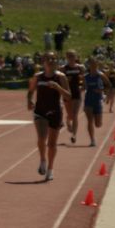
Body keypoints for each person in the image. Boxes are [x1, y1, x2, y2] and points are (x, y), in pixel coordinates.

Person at [27, 52, 71, 181]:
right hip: (40, 111)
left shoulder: (61, 77)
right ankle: (42, 160)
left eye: (53, 59)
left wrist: (58, 88)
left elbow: (68, 96)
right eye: (48, 59)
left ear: (57, 61)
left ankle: (51, 169)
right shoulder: (38, 77)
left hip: (55, 111)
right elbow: (30, 91)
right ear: (43, 62)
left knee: (52, 144)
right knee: (41, 138)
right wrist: (29, 101)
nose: (51, 61)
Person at [83, 57, 110, 146]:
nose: (93, 65)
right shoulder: (86, 76)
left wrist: (102, 90)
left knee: (98, 124)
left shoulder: (100, 75)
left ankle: (97, 118)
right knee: (89, 120)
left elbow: (108, 85)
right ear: (89, 65)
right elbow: (82, 87)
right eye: (91, 64)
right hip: (88, 99)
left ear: (97, 64)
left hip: (97, 100)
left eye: (94, 64)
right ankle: (92, 140)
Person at [62, 50, 85, 144]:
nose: (71, 58)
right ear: (66, 57)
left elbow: (83, 78)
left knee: (75, 114)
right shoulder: (63, 68)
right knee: (71, 115)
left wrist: (83, 86)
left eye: (73, 56)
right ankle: (67, 121)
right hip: (67, 93)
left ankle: (74, 135)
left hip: (76, 93)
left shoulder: (80, 67)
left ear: (76, 57)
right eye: (69, 56)